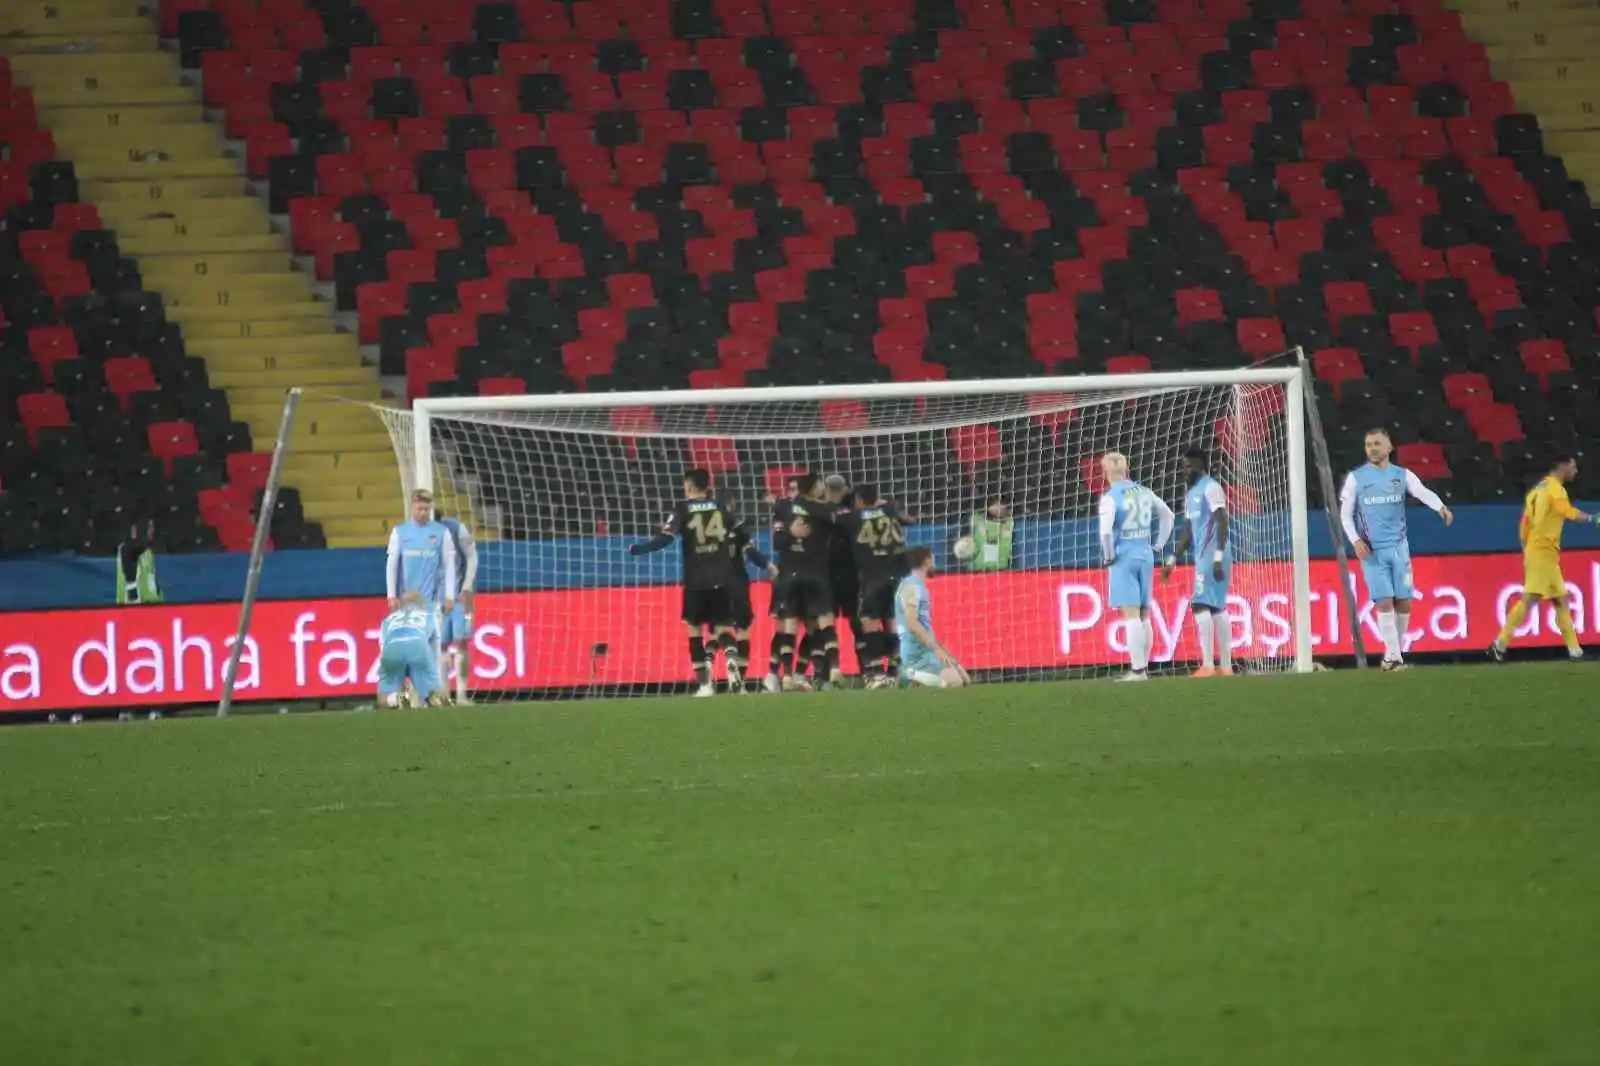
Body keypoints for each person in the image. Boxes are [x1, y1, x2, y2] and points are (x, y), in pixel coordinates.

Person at [1338, 428, 1452, 671]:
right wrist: (1356, 540)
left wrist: (1440, 507)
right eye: (1368, 444)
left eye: (1377, 443)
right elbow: (1345, 515)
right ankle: (1394, 658)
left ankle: (1393, 655)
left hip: (1400, 549)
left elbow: (1421, 491)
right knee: (1384, 601)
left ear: (1390, 447)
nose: (1372, 448)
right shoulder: (1356, 479)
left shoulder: (1402, 475)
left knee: (1404, 602)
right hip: (1372, 551)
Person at [629, 469, 742, 697]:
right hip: (723, 578)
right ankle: (732, 662)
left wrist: (638, 548)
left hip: (696, 581)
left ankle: (705, 685)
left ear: (689, 487)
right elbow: (739, 534)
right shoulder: (721, 507)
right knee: (723, 629)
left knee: (694, 631)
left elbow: (665, 539)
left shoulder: (682, 509)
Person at [1489, 454, 1598, 662]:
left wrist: (1528, 549)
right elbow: (1568, 512)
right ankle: (1499, 644)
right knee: (1530, 599)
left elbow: (1524, 525)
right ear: (1563, 465)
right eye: (1573, 467)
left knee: (1560, 600)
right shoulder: (1556, 490)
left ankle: (1575, 651)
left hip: (1537, 550)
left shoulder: (1536, 490)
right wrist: (1592, 518)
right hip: (1543, 551)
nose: (1575, 471)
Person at [1099, 451, 1175, 681]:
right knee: (1144, 615)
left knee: (1131, 614)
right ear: (1126, 469)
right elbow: (1168, 515)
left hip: (1124, 557)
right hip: (1145, 554)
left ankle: (1138, 670)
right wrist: (1158, 545)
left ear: (1104, 473)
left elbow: (1105, 532)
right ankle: (1143, 667)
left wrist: (1109, 556)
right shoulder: (1144, 491)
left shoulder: (1110, 497)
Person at [1163, 448, 1233, 677]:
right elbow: (1188, 531)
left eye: (1188, 466)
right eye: (1183, 466)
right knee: (1216, 607)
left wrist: (1218, 557)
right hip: (1203, 556)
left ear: (1200, 465)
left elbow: (1222, 520)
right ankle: (1225, 667)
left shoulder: (1211, 487)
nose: (1184, 471)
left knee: (1200, 605)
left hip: (1213, 554)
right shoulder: (1191, 493)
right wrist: (1174, 557)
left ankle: (1209, 666)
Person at [770, 473, 839, 691]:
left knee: (790, 625)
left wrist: (789, 533)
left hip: (790, 575)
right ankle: (834, 669)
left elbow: (777, 542)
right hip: (816, 575)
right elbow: (837, 529)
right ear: (814, 487)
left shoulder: (783, 508)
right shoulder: (822, 510)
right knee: (822, 623)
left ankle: (789, 675)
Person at [840, 483, 908, 688]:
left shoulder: (851, 518)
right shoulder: (890, 511)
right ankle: (897, 670)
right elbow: (901, 514)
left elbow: (832, 520)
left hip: (873, 576)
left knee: (869, 620)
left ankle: (878, 672)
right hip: (896, 575)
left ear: (859, 501)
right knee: (891, 620)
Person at [386, 489, 456, 676]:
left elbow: (450, 566)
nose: (423, 513)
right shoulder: (400, 533)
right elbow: (392, 565)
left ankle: (432, 694)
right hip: (407, 603)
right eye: (420, 508)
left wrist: (450, 596)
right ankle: (410, 694)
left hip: (433, 603)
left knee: (433, 649)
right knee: (410, 649)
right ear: (412, 507)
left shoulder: (441, 533)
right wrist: (391, 596)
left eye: (427, 509)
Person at [719, 491, 778, 693]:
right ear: (731, 505)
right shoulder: (739, 526)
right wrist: (770, 567)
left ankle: (710, 680)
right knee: (743, 631)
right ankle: (739, 683)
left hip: (714, 583)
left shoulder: (709, 528)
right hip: (738, 582)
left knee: (718, 630)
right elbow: (751, 553)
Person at [896, 545, 968, 688]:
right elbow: (912, 623)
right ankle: (908, 674)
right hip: (917, 655)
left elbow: (924, 627)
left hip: (927, 651)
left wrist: (944, 651)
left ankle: (918, 680)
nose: (934, 564)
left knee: (965, 679)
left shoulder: (918, 586)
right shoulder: (912, 586)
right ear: (926, 562)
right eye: (933, 560)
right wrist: (936, 649)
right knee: (956, 682)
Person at [435, 509, 478, 704]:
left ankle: (461, 695)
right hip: (439, 599)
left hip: (460, 595)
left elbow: (472, 556)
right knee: (440, 644)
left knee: (461, 641)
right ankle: (444, 695)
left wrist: (467, 587)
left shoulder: (456, 528)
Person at [377, 592, 443, 708]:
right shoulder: (430, 616)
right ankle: (431, 700)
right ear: (422, 604)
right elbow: (436, 652)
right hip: (418, 645)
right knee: (433, 696)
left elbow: (383, 651)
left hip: (392, 647)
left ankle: (396, 699)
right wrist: (434, 682)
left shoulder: (387, 620)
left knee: (383, 699)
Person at [824, 474, 859, 677]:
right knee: (855, 622)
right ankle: (869, 670)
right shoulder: (855, 514)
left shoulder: (820, 511)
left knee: (828, 624)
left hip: (830, 574)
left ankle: (828, 671)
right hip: (847, 573)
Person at [967, 495, 1014, 571]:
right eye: (995, 504)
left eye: (1001, 505)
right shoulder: (976, 519)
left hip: (1001, 569)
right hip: (977, 569)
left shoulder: (1010, 523)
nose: (998, 508)